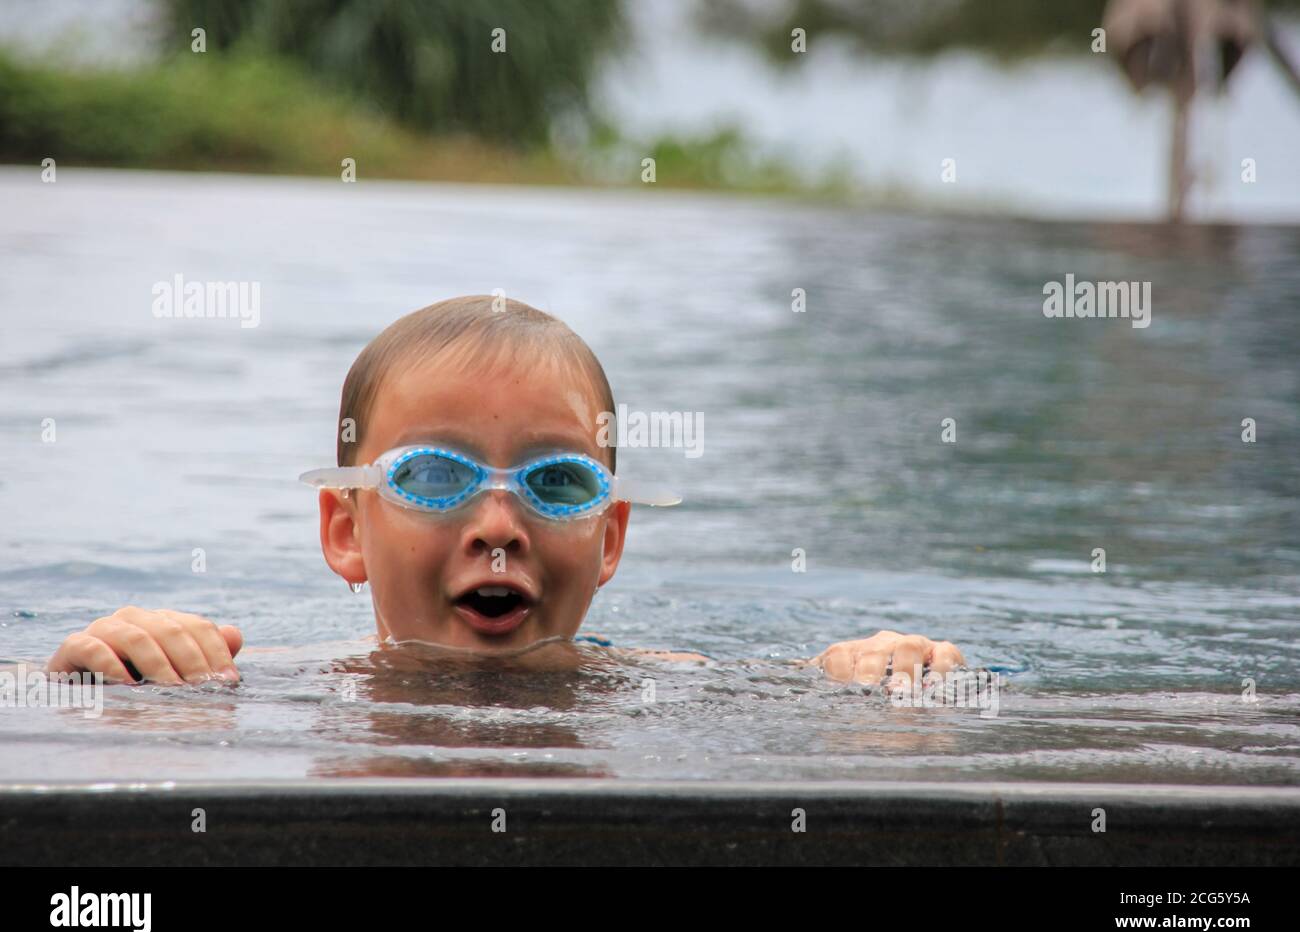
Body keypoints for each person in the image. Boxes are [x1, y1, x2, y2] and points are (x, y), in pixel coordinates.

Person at [44, 296, 967, 688]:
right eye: (433, 478)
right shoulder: (270, 680)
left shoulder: (660, 684)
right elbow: (50, 692)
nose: (498, 527)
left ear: (609, 539)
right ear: (345, 530)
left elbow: (815, 689)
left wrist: (872, 670)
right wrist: (119, 659)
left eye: (557, 483)